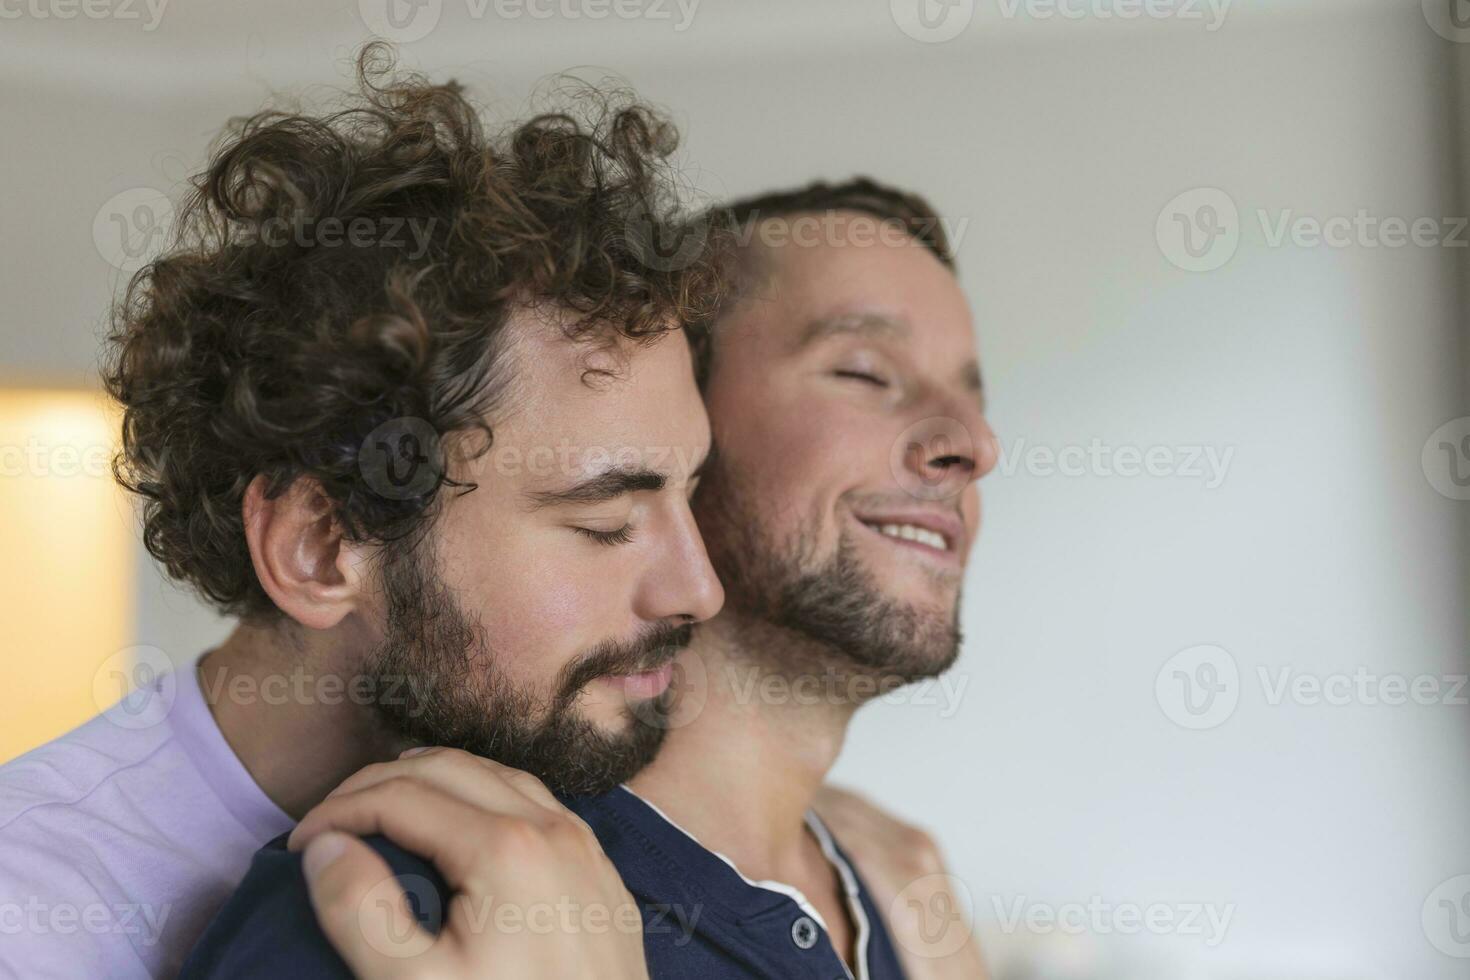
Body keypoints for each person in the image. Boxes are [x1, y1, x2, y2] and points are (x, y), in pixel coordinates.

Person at [0, 45, 725, 979]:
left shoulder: (579, 800)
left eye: (690, 495)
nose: (699, 590)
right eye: (604, 524)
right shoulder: (36, 915)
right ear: (322, 549)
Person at [184, 180, 997, 980]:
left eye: (973, 394)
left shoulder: (902, 903)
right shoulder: (407, 908)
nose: (973, 444)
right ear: (683, 414)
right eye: (863, 372)